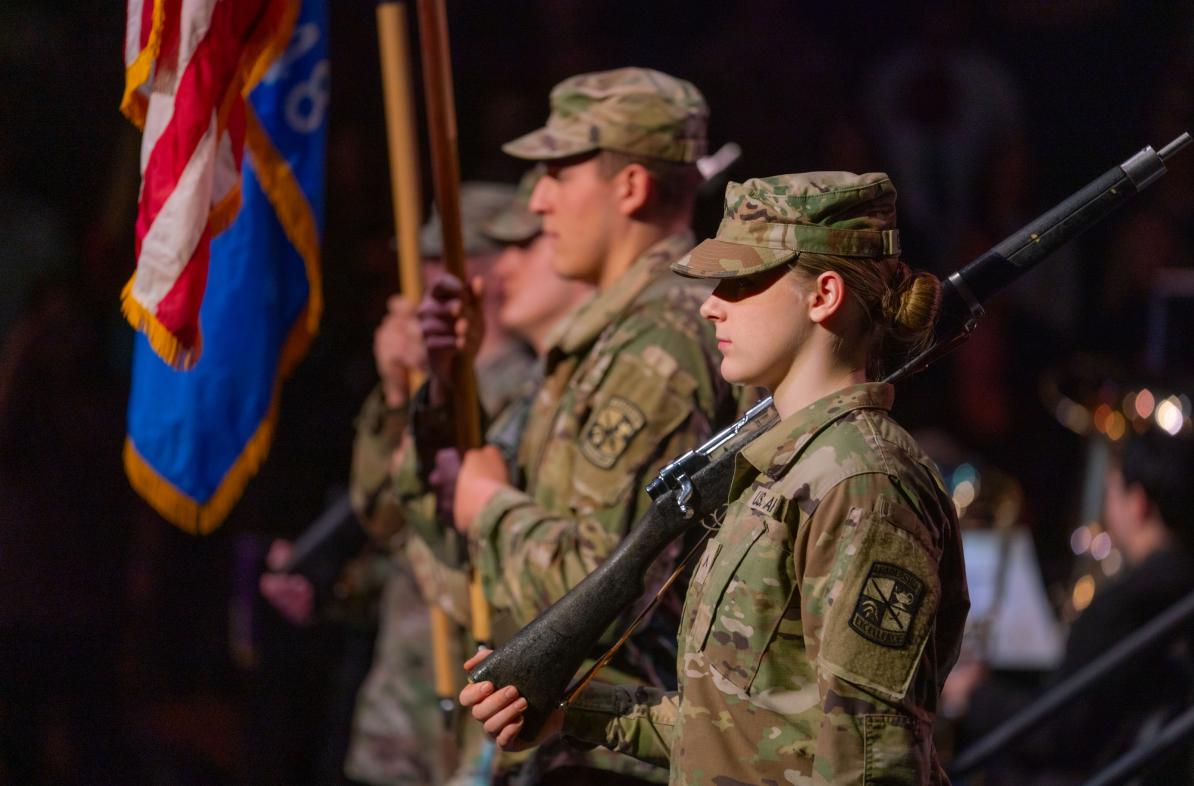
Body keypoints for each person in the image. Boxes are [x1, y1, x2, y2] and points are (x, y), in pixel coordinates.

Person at [461, 172, 971, 785]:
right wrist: (573, 712)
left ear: (824, 295)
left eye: (741, 281)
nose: (710, 303)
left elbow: (871, 763)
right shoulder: (780, 470)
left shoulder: (861, 484)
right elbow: (739, 727)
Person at [429, 66, 739, 784]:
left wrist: (491, 511)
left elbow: (601, 590)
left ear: (629, 187)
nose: (536, 203)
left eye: (557, 175)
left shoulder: (659, 339)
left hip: (615, 751)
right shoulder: (609, 332)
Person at [945, 426, 1194, 786]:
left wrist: (974, 695)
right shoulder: (1179, 586)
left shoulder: (1125, 604)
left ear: (1137, 502)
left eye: (1110, 490)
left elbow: (1056, 735)